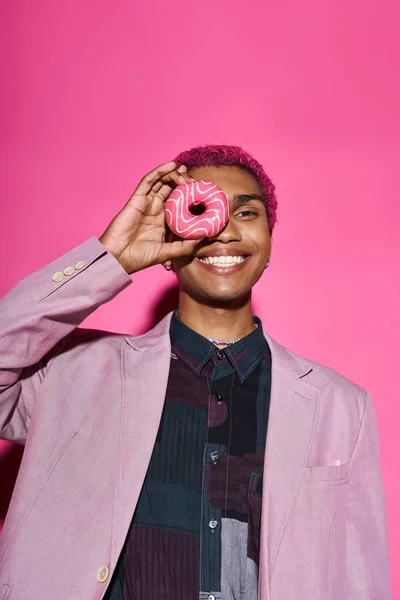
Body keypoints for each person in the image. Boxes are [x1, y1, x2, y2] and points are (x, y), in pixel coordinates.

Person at [0, 145, 391, 599]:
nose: (224, 232)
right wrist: (109, 259)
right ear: (166, 247)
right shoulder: (74, 373)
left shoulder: (340, 407)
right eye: (204, 211)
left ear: (268, 244)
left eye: (247, 213)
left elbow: (362, 580)